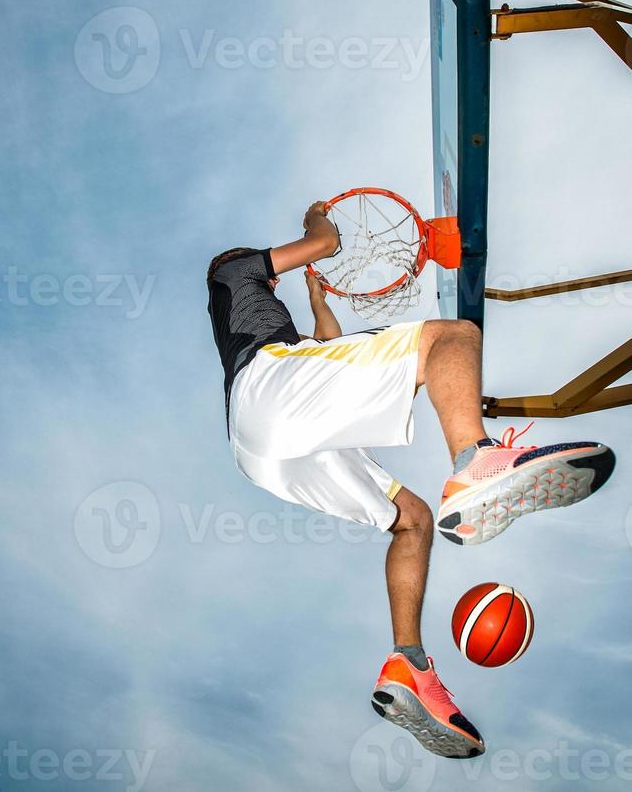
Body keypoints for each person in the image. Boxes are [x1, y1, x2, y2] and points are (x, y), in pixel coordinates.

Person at [207, 200, 615, 760]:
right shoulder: (232, 271)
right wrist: (314, 221)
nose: (273, 275)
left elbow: (326, 348)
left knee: (414, 520)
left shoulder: (258, 321)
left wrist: (318, 301)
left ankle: (409, 663)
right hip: (269, 390)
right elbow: (326, 243)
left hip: (261, 447)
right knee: (451, 337)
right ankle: (476, 459)